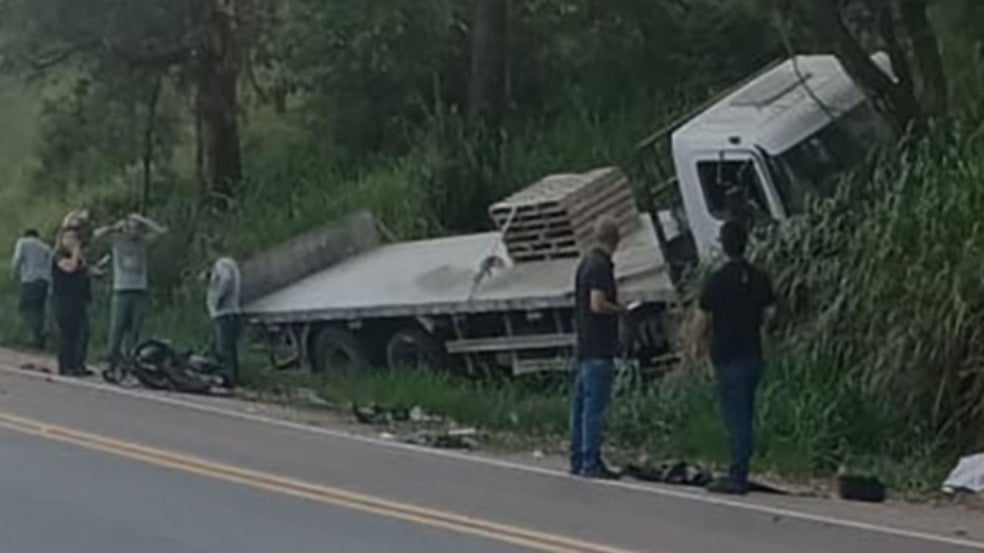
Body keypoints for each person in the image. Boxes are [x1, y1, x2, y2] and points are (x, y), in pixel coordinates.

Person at [696, 221, 776, 495]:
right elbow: (768, 316)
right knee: (746, 414)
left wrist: (697, 349)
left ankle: (738, 475)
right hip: (752, 354)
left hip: (728, 357)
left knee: (736, 418)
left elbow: (703, 319)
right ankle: (740, 467)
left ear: (723, 244)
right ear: (746, 243)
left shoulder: (717, 280)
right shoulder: (759, 278)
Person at [570, 216, 623, 480]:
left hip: (584, 344)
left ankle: (577, 457)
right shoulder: (601, 266)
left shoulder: (585, 263)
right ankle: (591, 460)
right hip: (599, 347)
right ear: (616, 239)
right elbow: (597, 303)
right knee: (594, 406)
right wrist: (621, 310)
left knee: (580, 405)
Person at [94, 213, 167, 381]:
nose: (131, 231)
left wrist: (143, 220)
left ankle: (130, 368)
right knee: (116, 330)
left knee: (134, 333)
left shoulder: (142, 242)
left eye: (134, 227)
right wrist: (114, 226)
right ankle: (111, 364)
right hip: (121, 291)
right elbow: (96, 235)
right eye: (129, 227)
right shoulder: (117, 241)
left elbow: (161, 233)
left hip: (139, 291)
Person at [51, 227, 92, 377]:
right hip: (63, 300)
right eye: (67, 238)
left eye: (74, 238)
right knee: (67, 333)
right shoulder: (58, 255)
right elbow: (70, 268)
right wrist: (76, 253)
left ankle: (78, 364)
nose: (71, 241)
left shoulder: (79, 257)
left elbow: (83, 270)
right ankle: (65, 365)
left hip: (79, 299)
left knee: (82, 333)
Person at [11, 229, 52, 349]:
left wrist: (14, 273)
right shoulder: (46, 247)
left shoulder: (23, 242)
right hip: (44, 281)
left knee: (25, 308)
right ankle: (40, 336)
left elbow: (17, 258)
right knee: (39, 309)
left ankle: (32, 336)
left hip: (30, 279)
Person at [207, 256, 242, 387]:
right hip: (231, 312)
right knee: (228, 349)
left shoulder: (222, 264)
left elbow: (226, 280)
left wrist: (216, 300)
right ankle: (232, 378)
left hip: (224, 313)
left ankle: (228, 380)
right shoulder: (231, 263)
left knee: (224, 350)